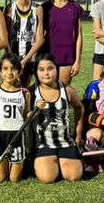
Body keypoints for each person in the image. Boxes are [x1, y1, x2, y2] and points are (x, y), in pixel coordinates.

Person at [30, 54, 84, 183]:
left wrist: (78, 132)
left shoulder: (67, 90)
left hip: (65, 141)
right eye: (41, 69)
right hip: (43, 143)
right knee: (47, 178)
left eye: (50, 68)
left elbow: (79, 107)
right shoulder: (31, 92)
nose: (46, 73)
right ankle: (46, 162)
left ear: (57, 69)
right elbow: (25, 115)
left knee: (73, 177)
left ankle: (62, 160)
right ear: (36, 72)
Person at [0, 54, 32, 183]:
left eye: (13, 69)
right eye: (5, 68)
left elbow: (26, 114)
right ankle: (12, 162)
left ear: (19, 72)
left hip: (16, 134)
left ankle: (21, 163)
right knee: (1, 178)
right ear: (0, 71)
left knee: (13, 179)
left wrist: (33, 113)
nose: (9, 72)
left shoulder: (24, 93)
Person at [41, 0, 83, 85]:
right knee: (47, 93)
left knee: (62, 94)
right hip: (48, 56)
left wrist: (77, 61)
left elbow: (79, 36)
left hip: (68, 57)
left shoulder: (75, 7)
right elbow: (39, 36)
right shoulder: (45, 7)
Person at [4, 0, 44, 89]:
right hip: (12, 58)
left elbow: (39, 39)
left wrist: (24, 61)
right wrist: (11, 58)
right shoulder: (9, 9)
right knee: (9, 88)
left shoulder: (38, 9)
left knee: (23, 89)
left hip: (29, 59)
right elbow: (5, 37)